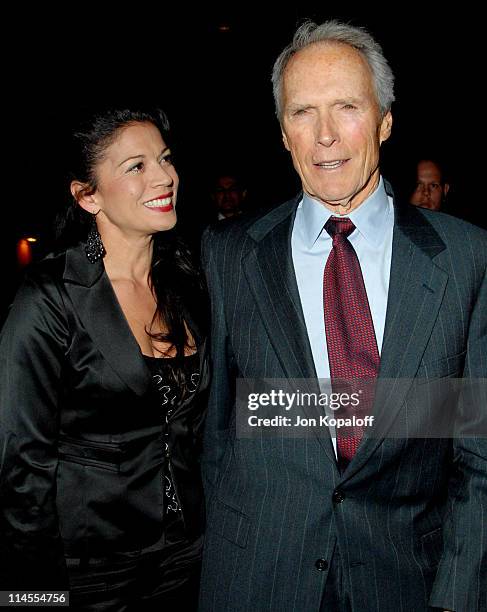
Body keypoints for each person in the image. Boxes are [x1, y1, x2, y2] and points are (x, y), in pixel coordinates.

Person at [198, 20, 486, 612]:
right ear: (283, 133)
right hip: (258, 580)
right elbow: (217, 430)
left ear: (384, 120)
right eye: (304, 112)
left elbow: (476, 452)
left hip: (408, 583)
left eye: (347, 107)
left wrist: (457, 596)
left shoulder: (466, 257)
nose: (325, 135)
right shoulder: (227, 254)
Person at [0, 108, 209, 610]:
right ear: (86, 195)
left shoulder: (187, 280)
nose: (164, 176)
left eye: (164, 159)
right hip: (89, 574)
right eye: (136, 166)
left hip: (188, 559)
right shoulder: (50, 298)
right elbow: (21, 468)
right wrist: (35, 599)